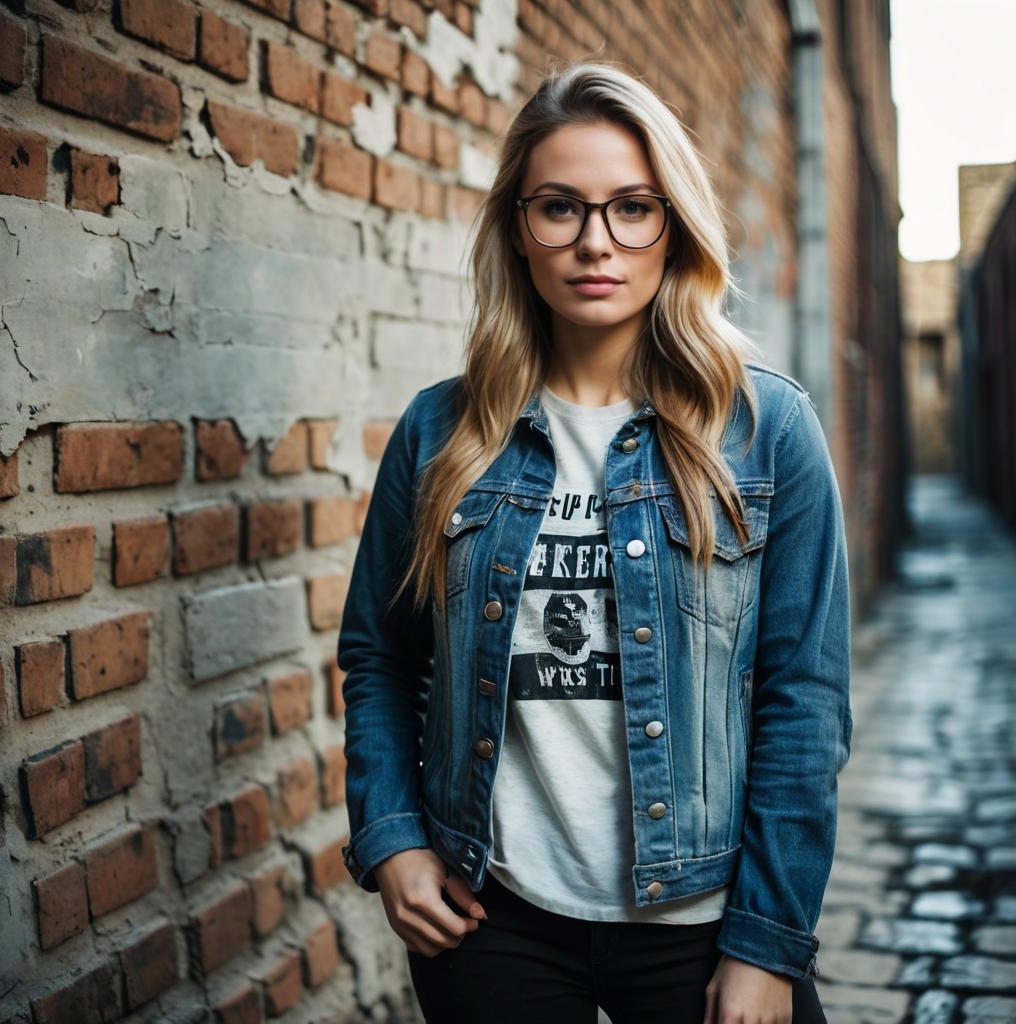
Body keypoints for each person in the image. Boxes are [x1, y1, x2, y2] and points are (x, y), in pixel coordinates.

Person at [337, 59, 852, 1024]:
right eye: (560, 208)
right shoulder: (439, 433)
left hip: (703, 921)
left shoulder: (766, 431)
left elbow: (805, 702)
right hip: (495, 918)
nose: (595, 241)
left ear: (674, 227)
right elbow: (381, 658)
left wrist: (768, 941)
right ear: (517, 228)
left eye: (633, 208)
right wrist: (394, 835)